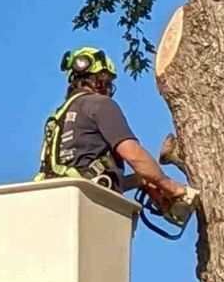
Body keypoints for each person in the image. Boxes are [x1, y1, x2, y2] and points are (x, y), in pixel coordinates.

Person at [38, 46, 189, 215]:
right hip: (91, 205)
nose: (109, 88)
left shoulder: (58, 119)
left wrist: (141, 181)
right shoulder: (99, 104)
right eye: (108, 81)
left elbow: (90, 179)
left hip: (56, 203)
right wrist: (170, 186)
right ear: (99, 80)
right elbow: (132, 154)